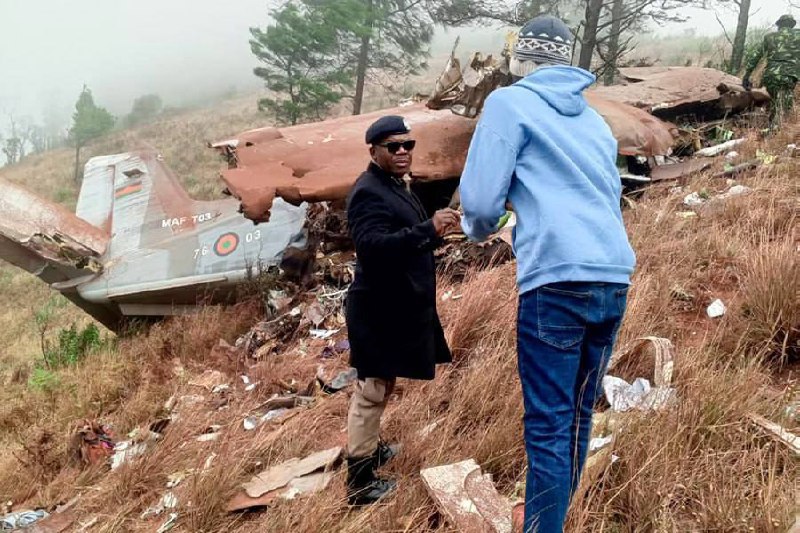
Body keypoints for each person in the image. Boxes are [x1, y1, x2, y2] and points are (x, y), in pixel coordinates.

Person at [458, 15, 636, 533]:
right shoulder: (594, 121)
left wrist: (478, 227)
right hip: (612, 274)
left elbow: (481, 199)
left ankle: (543, 527)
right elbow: (611, 193)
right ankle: (550, 518)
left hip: (556, 279)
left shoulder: (508, 103)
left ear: (520, 60)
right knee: (579, 414)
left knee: (549, 422)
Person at [344, 115, 459, 506]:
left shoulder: (393, 185)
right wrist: (428, 230)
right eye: (393, 146)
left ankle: (371, 449)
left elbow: (400, 239)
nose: (403, 152)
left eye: (407, 145)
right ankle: (359, 482)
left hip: (396, 305)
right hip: (377, 308)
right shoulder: (368, 191)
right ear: (373, 150)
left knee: (384, 383)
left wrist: (433, 235)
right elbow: (372, 248)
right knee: (371, 390)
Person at [743, 14, 800, 128]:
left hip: (770, 77)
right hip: (788, 78)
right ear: (792, 24)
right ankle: (772, 135)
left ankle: (759, 129)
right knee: (782, 112)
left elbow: (755, 56)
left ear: (779, 25)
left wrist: (747, 75)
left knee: (772, 106)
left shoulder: (769, 37)